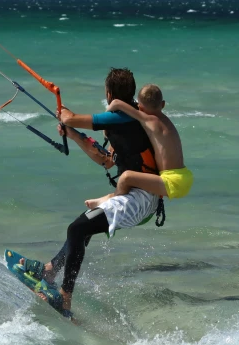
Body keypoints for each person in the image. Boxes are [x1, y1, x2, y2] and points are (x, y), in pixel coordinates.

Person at [16, 68, 160, 314]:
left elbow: (71, 117)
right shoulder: (124, 118)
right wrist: (71, 135)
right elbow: (105, 160)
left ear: (109, 93)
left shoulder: (124, 118)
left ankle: (64, 297)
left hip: (141, 199)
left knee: (77, 228)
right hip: (134, 194)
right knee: (83, 229)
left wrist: (66, 118)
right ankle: (50, 270)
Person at [85, 84, 193, 209]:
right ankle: (106, 198)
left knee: (126, 177)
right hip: (185, 176)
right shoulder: (166, 122)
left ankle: (111, 204)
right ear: (163, 104)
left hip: (172, 181)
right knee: (129, 181)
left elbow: (116, 103)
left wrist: (106, 127)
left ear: (140, 107)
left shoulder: (150, 120)